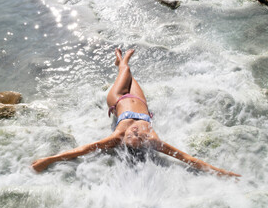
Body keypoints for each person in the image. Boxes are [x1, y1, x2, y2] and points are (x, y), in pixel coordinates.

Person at [32, 49, 241, 177]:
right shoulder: (153, 139)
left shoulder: (117, 137)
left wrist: (49, 159)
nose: (134, 131)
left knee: (126, 72)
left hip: (118, 99)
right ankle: (122, 63)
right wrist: (221, 172)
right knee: (130, 75)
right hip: (139, 101)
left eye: (133, 135)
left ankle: (121, 60)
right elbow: (188, 158)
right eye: (137, 133)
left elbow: (82, 150)